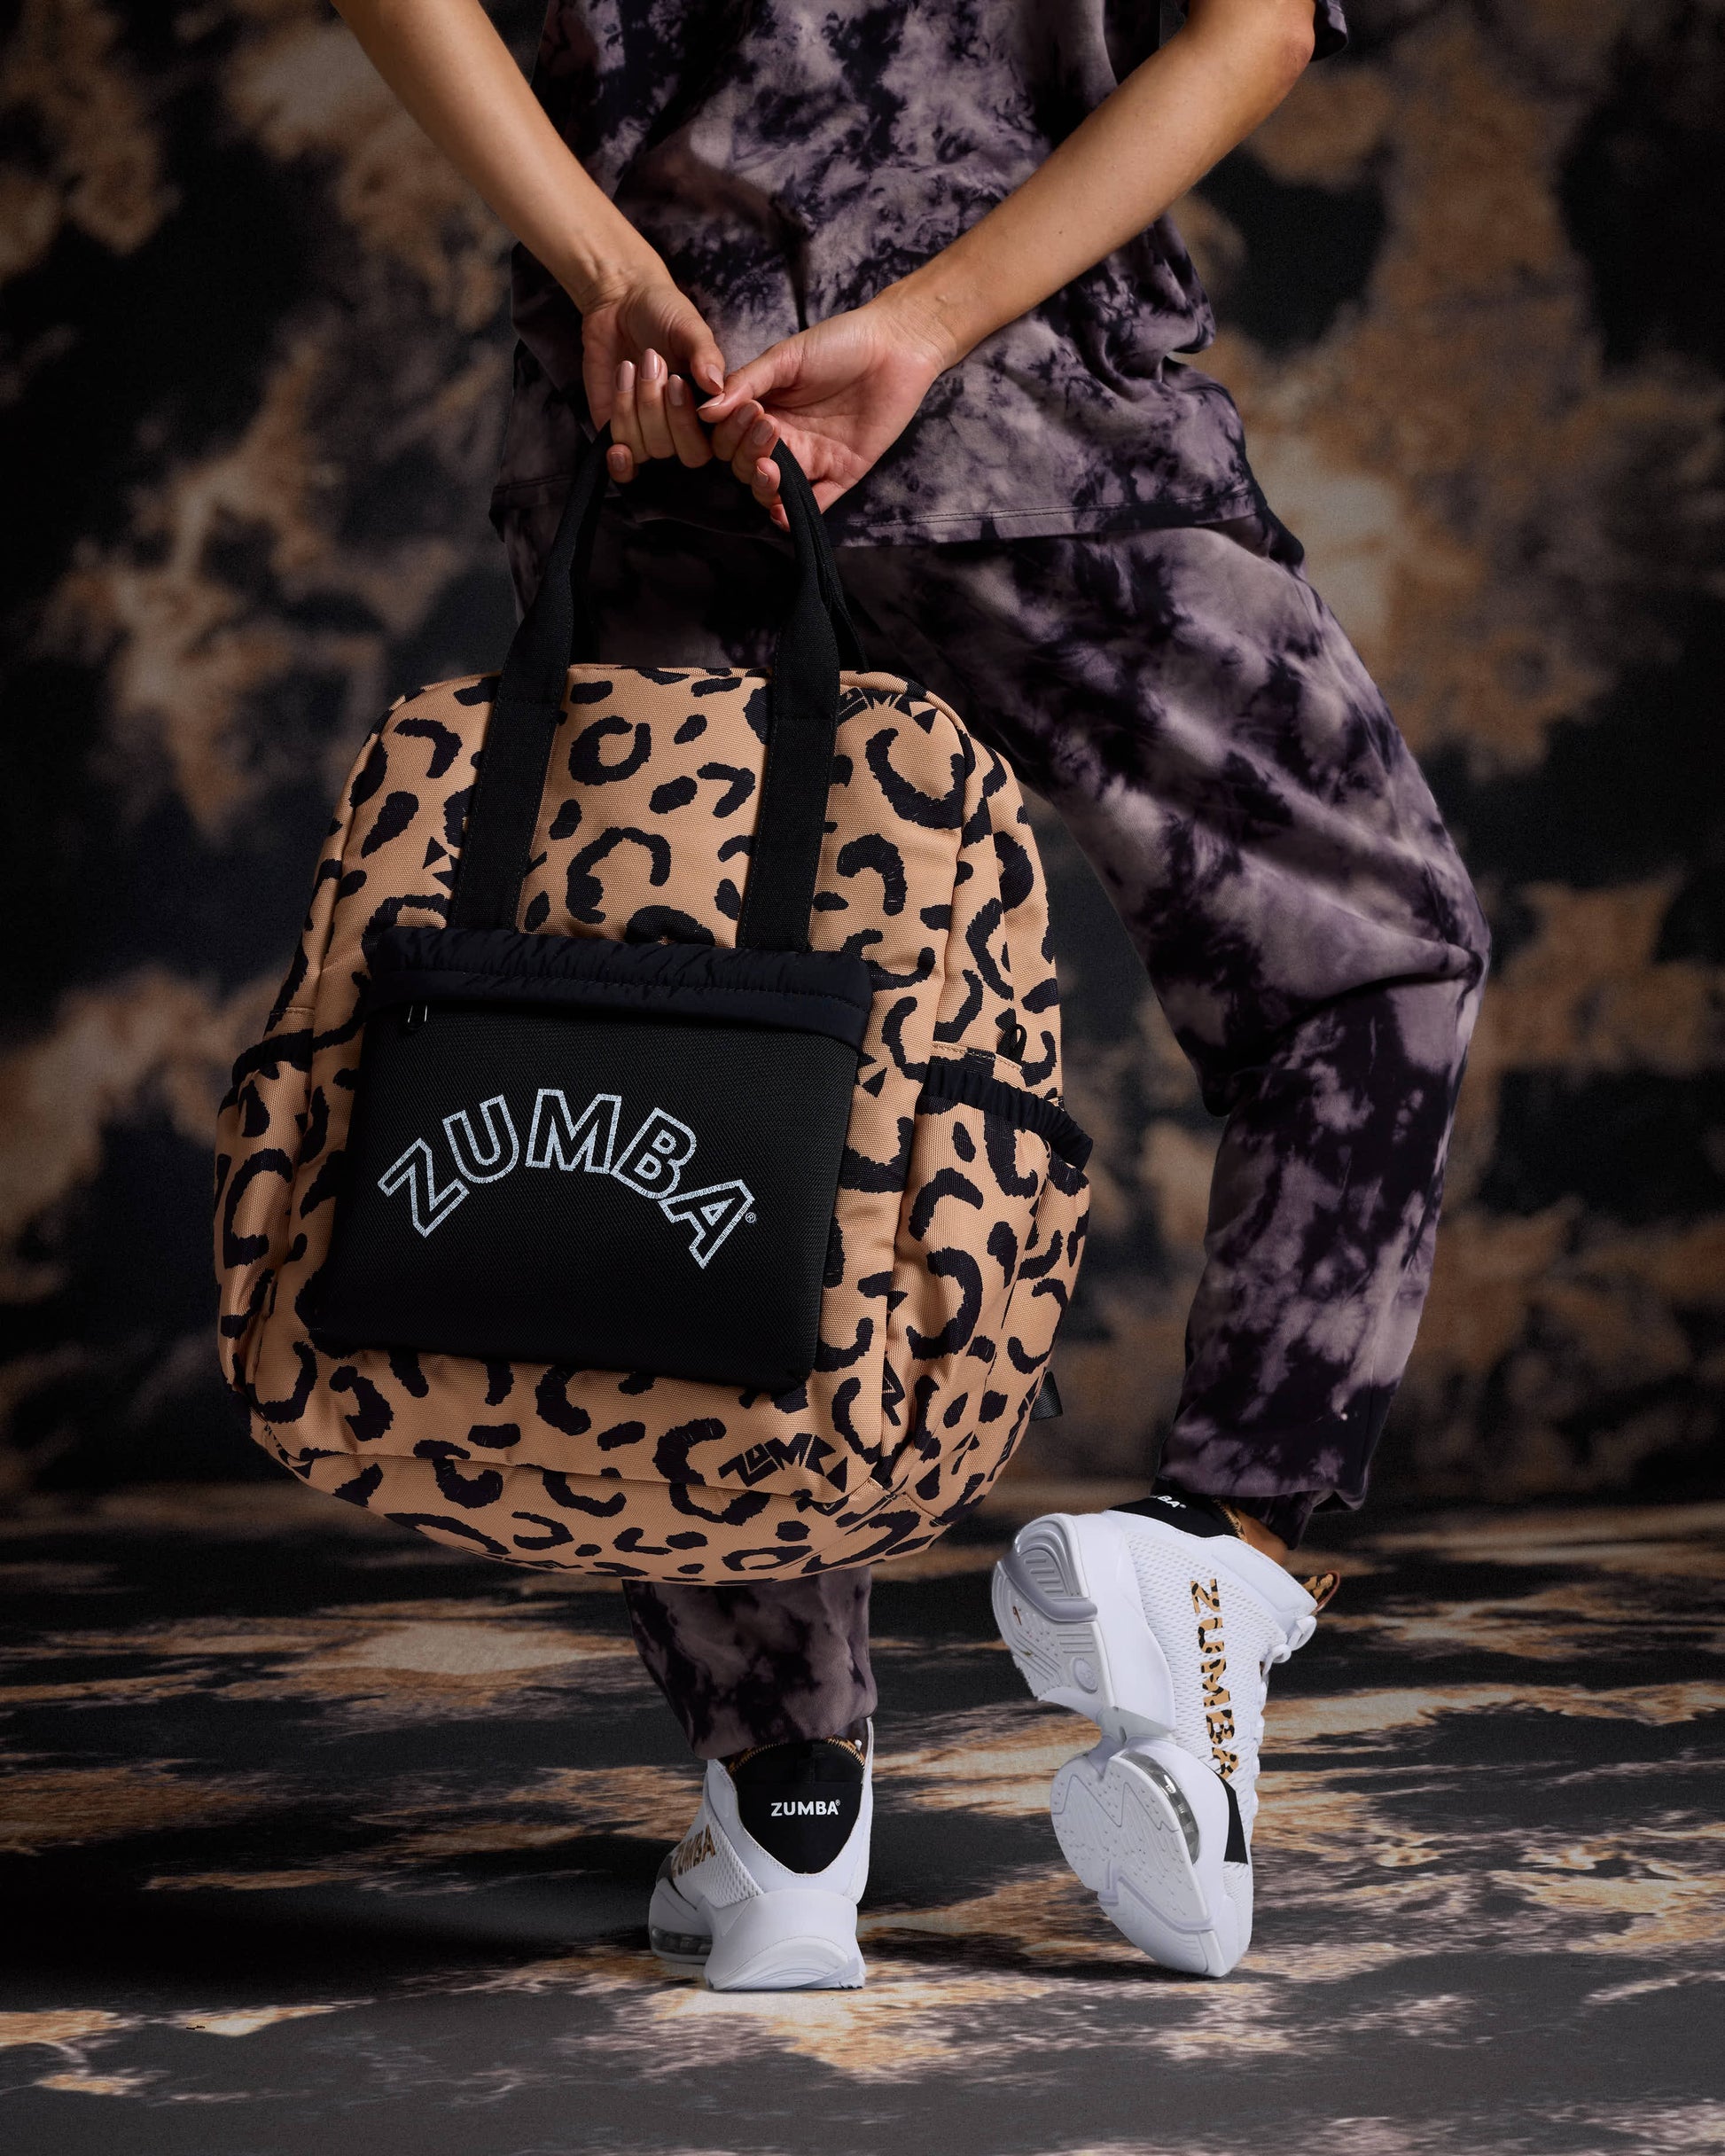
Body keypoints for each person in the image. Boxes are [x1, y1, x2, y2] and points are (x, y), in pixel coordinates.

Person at [328, 0, 1490, 1988]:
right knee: (1363, 956)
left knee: (678, 1093)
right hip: (1041, 412)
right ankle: (1217, 1559)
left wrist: (613, 267)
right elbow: (1259, 25)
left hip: (660, 419)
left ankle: (782, 1812)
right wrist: (932, 321)